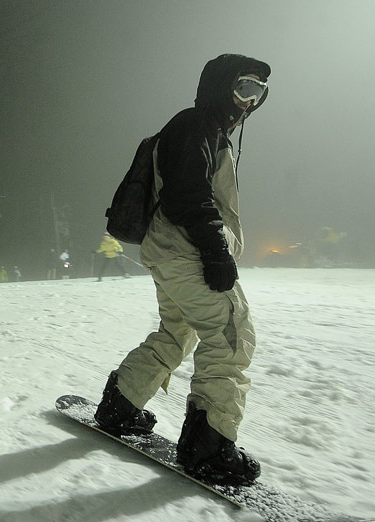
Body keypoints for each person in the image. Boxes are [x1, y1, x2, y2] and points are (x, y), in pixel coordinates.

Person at [94, 54, 270, 485]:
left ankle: (121, 405)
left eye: (258, 93)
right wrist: (215, 251)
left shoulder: (203, 129)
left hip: (169, 248)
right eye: (244, 88)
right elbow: (188, 194)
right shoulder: (196, 127)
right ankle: (209, 447)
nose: (249, 101)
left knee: (178, 331)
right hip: (188, 249)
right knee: (231, 335)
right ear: (220, 86)